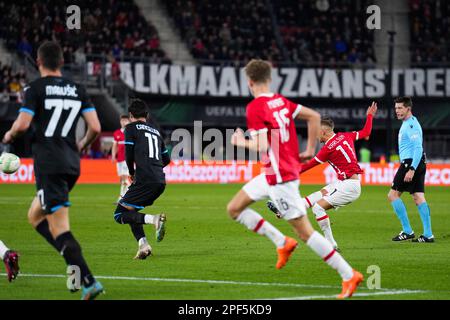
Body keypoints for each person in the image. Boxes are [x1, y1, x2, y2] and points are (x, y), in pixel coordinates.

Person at [227, 59, 363, 299]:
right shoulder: (281, 101)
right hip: (273, 172)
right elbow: (313, 116)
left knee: (305, 232)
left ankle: (348, 274)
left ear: (249, 82)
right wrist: (310, 148)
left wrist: (239, 141)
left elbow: (261, 144)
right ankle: (282, 242)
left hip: (280, 177)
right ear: (269, 79)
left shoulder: (255, 107)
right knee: (235, 208)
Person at [2, 41, 104, 299]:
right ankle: (71, 260)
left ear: (38, 62)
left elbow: (23, 124)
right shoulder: (78, 89)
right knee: (35, 216)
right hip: (72, 162)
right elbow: (95, 127)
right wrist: (81, 145)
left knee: (60, 228)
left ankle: (88, 280)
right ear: (60, 62)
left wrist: (8, 134)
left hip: (50, 164)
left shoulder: (35, 88)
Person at [267, 103, 377, 250]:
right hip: (344, 183)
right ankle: (284, 210)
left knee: (318, 208)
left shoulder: (328, 149)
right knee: (314, 197)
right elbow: (366, 131)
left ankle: (331, 245)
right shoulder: (346, 136)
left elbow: (308, 165)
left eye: (316, 132)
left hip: (349, 187)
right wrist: (370, 116)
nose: (315, 135)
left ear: (324, 132)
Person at [113, 99, 169, 259]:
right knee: (131, 210)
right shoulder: (156, 131)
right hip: (159, 180)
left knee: (119, 214)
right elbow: (166, 159)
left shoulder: (130, 128)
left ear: (130, 115)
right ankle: (143, 245)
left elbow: (128, 153)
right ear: (147, 115)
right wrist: (154, 168)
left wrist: (131, 172)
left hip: (144, 179)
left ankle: (155, 219)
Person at [388, 97, 433, 243]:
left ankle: (407, 231)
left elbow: (418, 147)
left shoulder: (411, 126)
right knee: (418, 196)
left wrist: (412, 168)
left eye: (400, 108)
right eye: (396, 108)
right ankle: (428, 234)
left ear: (408, 108)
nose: (397, 111)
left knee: (393, 195)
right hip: (417, 162)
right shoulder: (408, 123)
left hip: (410, 163)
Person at [112, 115, 131, 202]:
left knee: (125, 177)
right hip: (119, 158)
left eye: (125, 120)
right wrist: (113, 156)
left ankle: (122, 197)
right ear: (120, 121)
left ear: (129, 121)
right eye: (122, 120)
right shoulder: (116, 133)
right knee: (122, 179)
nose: (124, 122)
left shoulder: (130, 132)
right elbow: (114, 145)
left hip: (127, 158)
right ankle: (128, 195)